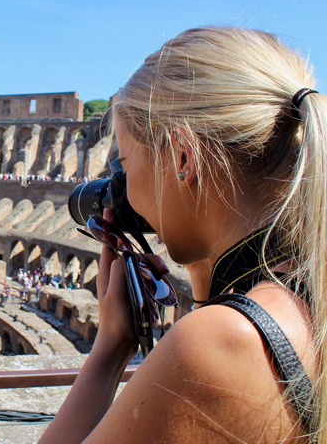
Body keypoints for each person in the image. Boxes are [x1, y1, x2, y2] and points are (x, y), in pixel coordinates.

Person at [39, 27, 325, 443]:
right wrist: (204, 269)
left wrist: (108, 350)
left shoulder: (222, 344)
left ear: (183, 158)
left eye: (123, 165)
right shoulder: (304, 288)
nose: (120, 190)